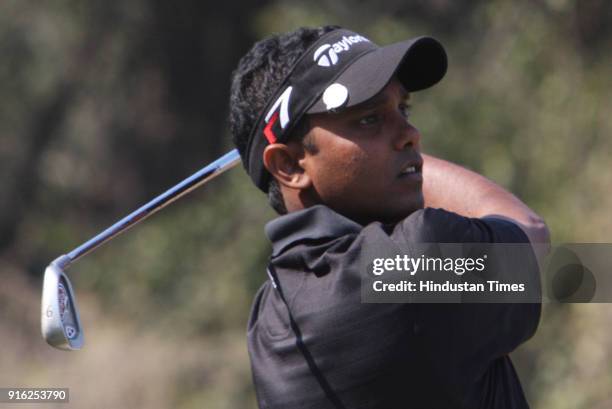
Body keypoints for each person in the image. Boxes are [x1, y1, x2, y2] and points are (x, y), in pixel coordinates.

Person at [228, 25, 549, 409]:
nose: (410, 133)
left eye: (403, 109)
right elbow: (531, 237)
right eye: (368, 119)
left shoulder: (268, 316)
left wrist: (395, 159)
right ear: (288, 164)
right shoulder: (410, 265)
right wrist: (409, 163)